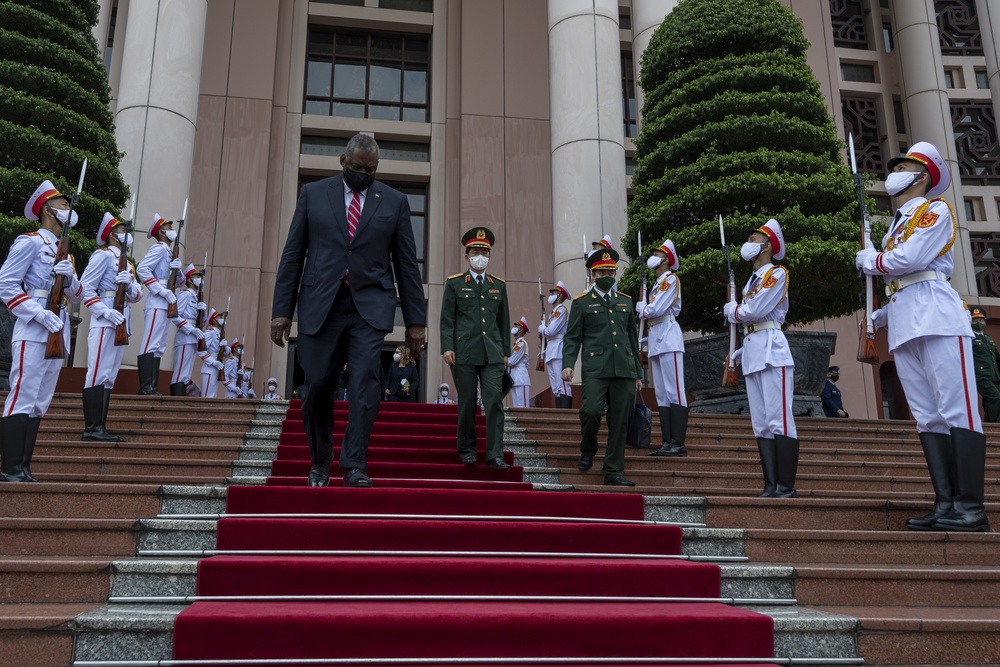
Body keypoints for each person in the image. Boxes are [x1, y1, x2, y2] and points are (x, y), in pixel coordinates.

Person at [271, 133, 426, 488]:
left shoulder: (394, 201)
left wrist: (415, 321)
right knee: (317, 386)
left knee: (365, 384)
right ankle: (320, 461)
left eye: (370, 170)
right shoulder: (313, 194)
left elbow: (406, 265)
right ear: (342, 161)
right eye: (357, 167)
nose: (362, 174)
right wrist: (282, 310)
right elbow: (293, 253)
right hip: (320, 304)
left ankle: (354, 462)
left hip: (369, 307)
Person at [856, 141, 989, 532]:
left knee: (956, 409)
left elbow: (910, 261)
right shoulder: (897, 223)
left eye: (905, 166)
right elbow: (902, 281)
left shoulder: (935, 211)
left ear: (923, 176)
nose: (894, 170)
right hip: (905, 320)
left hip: (938, 316)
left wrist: (871, 261)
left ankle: (971, 508)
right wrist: (879, 315)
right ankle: (946, 503)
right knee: (928, 417)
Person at [0, 179, 85, 482]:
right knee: (23, 394)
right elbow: (5, 284)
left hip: (57, 330)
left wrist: (71, 276)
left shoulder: (66, 252)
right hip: (34, 327)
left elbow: (77, 296)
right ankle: (9, 468)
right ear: (48, 209)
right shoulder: (31, 242)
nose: (68, 209)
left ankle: (24, 467)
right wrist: (38, 314)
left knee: (39, 402)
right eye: (63, 204)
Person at [724, 218, 799, 498]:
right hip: (754, 348)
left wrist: (734, 311)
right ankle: (770, 484)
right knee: (761, 422)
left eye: (754, 240)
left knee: (779, 419)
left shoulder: (775, 274)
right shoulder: (752, 280)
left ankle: (786, 485)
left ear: (767, 246)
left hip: (772, 351)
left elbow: (755, 310)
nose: (749, 244)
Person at [561, 248, 642, 487]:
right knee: (591, 411)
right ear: (593, 274)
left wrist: (637, 372)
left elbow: (632, 339)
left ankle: (613, 470)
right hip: (596, 368)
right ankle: (588, 449)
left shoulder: (625, 301)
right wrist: (568, 364)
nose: (607, 275)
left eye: (611, 271)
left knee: (620, 420)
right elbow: (572, 337)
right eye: (602, 271)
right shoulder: (582, 302)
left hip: (624, 369)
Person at [440, 226, 511, 469]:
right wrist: (447, 347)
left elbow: (503, 321)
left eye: (484, 251)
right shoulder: (455, 284)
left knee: (494, 402)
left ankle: (494, 453)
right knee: (468, 402)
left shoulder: (498, 285)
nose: (480, 255)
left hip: (492, 352)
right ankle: (468, 450)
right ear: (467, 254)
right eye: (475, 251)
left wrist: (505, 353)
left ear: (490, 255)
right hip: (464, 351)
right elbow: (447, 319)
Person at [80, 212, 143, 441]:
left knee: (108, 375)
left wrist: (130, 285)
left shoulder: (129, 264)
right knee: (97, 372)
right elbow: (86, 288)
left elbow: (137, 296)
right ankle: (91, 428)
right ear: (112, 235)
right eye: (123, 231)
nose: (127, 235)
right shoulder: (103, 255)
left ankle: (100, 426)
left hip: (121, 322)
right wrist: (105, 312)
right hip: (105, 319)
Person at [636, 239, 688, 457]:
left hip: (668, 338)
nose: (654, 257)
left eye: (658, 254)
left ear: (666, 259)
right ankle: (667, 442)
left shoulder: (669, 280)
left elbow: (656, 309)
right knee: (662, 394)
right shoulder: (658, 284)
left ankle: (678, 443)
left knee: (674, 391)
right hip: (657, 338)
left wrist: (643, 307)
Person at [136, 213, 181, 395]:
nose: (173, 231)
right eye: (169, 228)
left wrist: (178, 272)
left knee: (159, 345)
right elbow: (142, 269)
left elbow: (178, 282)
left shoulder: (168, 252)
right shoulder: (160, 249)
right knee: (150, 343)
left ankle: (152, 386)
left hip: (167, 300)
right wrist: (160, 290)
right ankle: (145, 387)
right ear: (162, 233)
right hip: (158, 300)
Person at [168, 264, 206, 396]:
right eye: (197, 277)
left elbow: (201, 322)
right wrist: (190, 329)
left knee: (186, 373)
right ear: (189, 279)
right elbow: (174, 316)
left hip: (193, 338)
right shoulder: (185, 295)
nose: (200, 280)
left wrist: (203, 311)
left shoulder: (196, 298)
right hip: (185, 337)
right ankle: (175, 402)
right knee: (180, 372)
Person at [539, 281, 573, 408]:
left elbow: (551, 331)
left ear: (559, 296)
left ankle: (566, 415)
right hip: (552, 349)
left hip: (559, 348)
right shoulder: (554, 312)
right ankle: (559, 412)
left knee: (563, 384)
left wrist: (543, 329)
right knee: (556, 386)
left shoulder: (561, 310)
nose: (551, 295)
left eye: (553, 293)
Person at [970, 308, 1000, 423]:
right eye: (975, 320)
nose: (979, 323)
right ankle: (991, 426)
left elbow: (996, 358)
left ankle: (991, 426)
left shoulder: (988, 339)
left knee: (989, 402)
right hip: (981, 376)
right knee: (996, 398)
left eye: (981, 320)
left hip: (994, 376)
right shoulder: (970, 338)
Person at [198, 308, 225, 399]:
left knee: (213, 397)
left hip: (217, 369)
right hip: (209, 369)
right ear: (214, 320)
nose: (222, 319)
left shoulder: (220, 334)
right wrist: (213, 362)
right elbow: (201, 350)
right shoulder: (210, 333)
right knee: (207, 397)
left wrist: (225, 348)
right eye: (220, 317)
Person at [507, 316, 531, 408]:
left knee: (523, 407)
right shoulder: (517, 343)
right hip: (515, 377)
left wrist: (504, 359)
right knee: (516, 407)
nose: (514, 328)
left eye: (517, 326)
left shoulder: (521, 343)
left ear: (521, 330)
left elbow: (512, 361)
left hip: (521, 377)